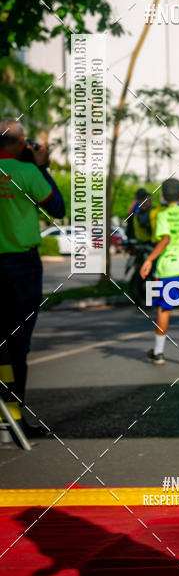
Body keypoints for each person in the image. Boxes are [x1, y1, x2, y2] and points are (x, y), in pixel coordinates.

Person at [0, 119, 65, 437]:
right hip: (20, 267)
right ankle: (13, 419)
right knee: (17, 344)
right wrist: (41, 167)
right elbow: (57, 206)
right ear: (19, 143)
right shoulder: (27, 173)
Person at [140, 178, 179, 365]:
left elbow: (165, 239)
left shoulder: (163, 215)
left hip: (168, 268)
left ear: (162, 197)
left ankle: (158, 352)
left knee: (165, 308)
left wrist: (149, 260)